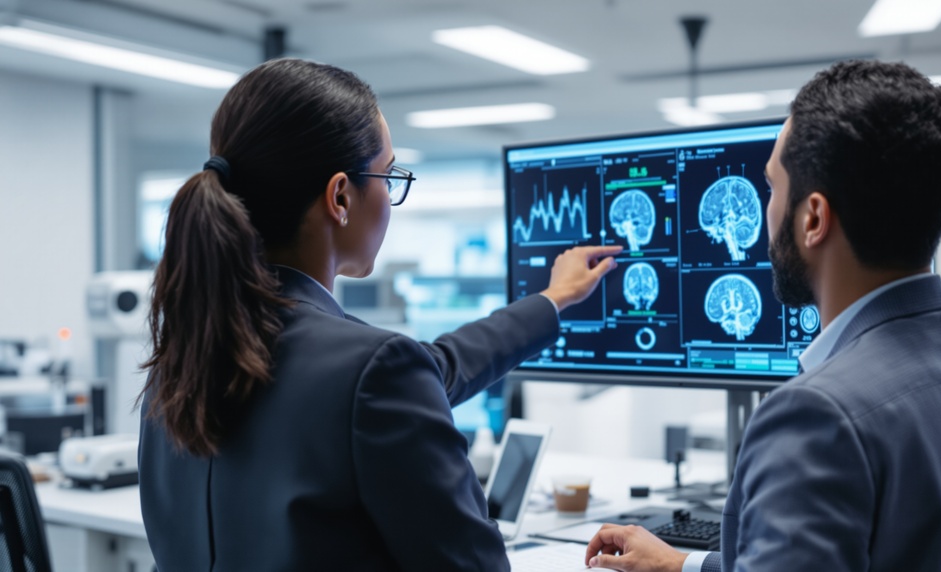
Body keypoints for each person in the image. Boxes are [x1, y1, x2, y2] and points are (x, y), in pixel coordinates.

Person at [137, 57, 622, 571]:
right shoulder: (370, 371)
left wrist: (550, 300)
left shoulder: (174, 370)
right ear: (340, 196)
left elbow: (426, 369)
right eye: (388, 175)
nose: (390, 196)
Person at [585, 59, 941, 571]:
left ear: (813, 218)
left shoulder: (818, 414)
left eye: (772, 187)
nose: (766, 214)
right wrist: (686, 564)